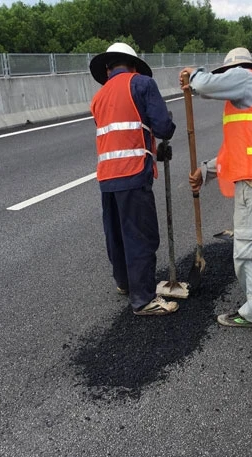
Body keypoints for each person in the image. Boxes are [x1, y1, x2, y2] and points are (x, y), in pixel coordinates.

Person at [180, 47, 252, 328]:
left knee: (248, 251)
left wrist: (193, 75)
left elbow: (204, 84)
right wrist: (205, 171)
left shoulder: (246, 77)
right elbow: (234, 153)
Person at [89, 42, 178, 316]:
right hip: (133, 172)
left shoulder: (99, 96)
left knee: (115, 233)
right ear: (134, 66)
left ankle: (125, 283)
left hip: (107, 177)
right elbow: (163, 126)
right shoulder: (142, 84)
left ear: (107, 68)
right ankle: (143, 300)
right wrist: (165, 128)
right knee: (140, 235)